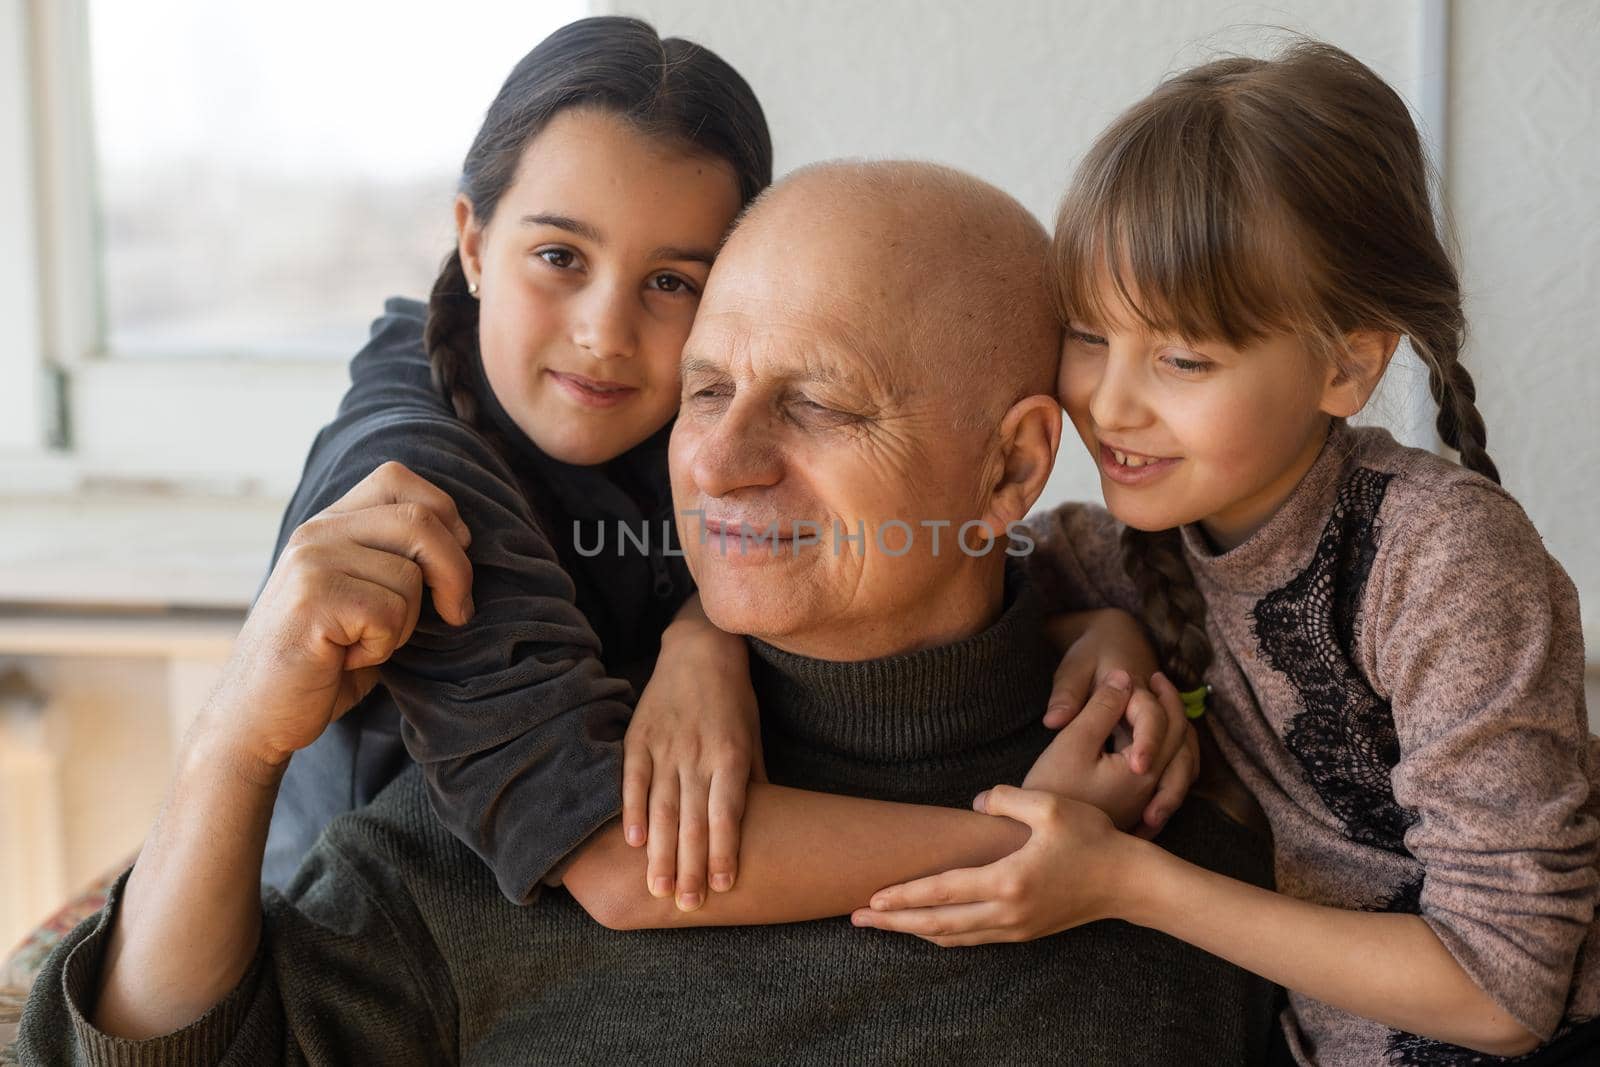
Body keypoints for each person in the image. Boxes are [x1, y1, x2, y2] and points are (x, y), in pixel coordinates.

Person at [18, 161, 1277, 1064]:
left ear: (1010, 469)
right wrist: (235, 745)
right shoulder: (503, 837)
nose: (719, 461)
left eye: (819, 405)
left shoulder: (1192, 863)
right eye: (708, 387)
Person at [264, 14, 1194, 913]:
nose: (604, 335)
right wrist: (1048, 843)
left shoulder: (677, 417)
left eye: (672, 282)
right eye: (558, 255)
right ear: (471, 242)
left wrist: (1089, 629)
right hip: (355, 931)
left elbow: (911, 535)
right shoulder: (411, 474)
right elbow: (613, 858)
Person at [853, 42, 1600, 1066]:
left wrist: (1123, 880)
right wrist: (696, 656)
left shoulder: (1444, 562)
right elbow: (899, 559)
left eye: (1182, 357)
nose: (1110, 403)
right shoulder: (1115, 548)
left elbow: (1502, 990)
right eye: (1087, 333)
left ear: (1345, 363)